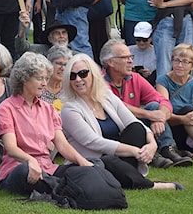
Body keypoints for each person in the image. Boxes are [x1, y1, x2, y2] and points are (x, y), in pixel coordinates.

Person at [59, 54, 182, 191]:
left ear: (93, 74)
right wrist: (136, 151)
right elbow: (93, 142)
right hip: (94, 161)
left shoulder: (106, 96)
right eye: (72, 76)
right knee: (109, 160)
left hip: (120, 157)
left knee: (135, 128)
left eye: (83, 73)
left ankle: (129, 177)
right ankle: (151, 185)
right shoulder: (69, 109)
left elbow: (134, 121)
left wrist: (152, 145)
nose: (78, 79)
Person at [0, 52, 94, 195]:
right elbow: (11, 149)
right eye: (40, 78)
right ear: (24, 79)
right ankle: (67, 188)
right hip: (19, 169)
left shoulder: (48, 109)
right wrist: (30, 160)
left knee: (93, 164)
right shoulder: (5, 109)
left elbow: (62, 145)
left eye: (46, 78)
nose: (45, 83)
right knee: (25, 170)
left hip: (48, 168)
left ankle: (63, 185)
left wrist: (82, 162)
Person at [99, 39, 191, 168]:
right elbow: (116, 107)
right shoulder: (98, 82)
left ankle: (168, 148)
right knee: (142, 119)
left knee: (154, 106)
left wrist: (160, 117)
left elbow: (162, 100)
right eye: (125, 57)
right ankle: (155, 154)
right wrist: (149, 115)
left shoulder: (135, 78)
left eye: (131, 56)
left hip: (136, 125)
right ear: (110, 62)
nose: (131, 61)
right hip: (115, 131)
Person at [39, 45, 73, 111]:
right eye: (59, 63)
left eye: (66, 65)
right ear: (49, 64)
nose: (62, 68)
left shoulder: (70, 88)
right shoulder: (39, 88)